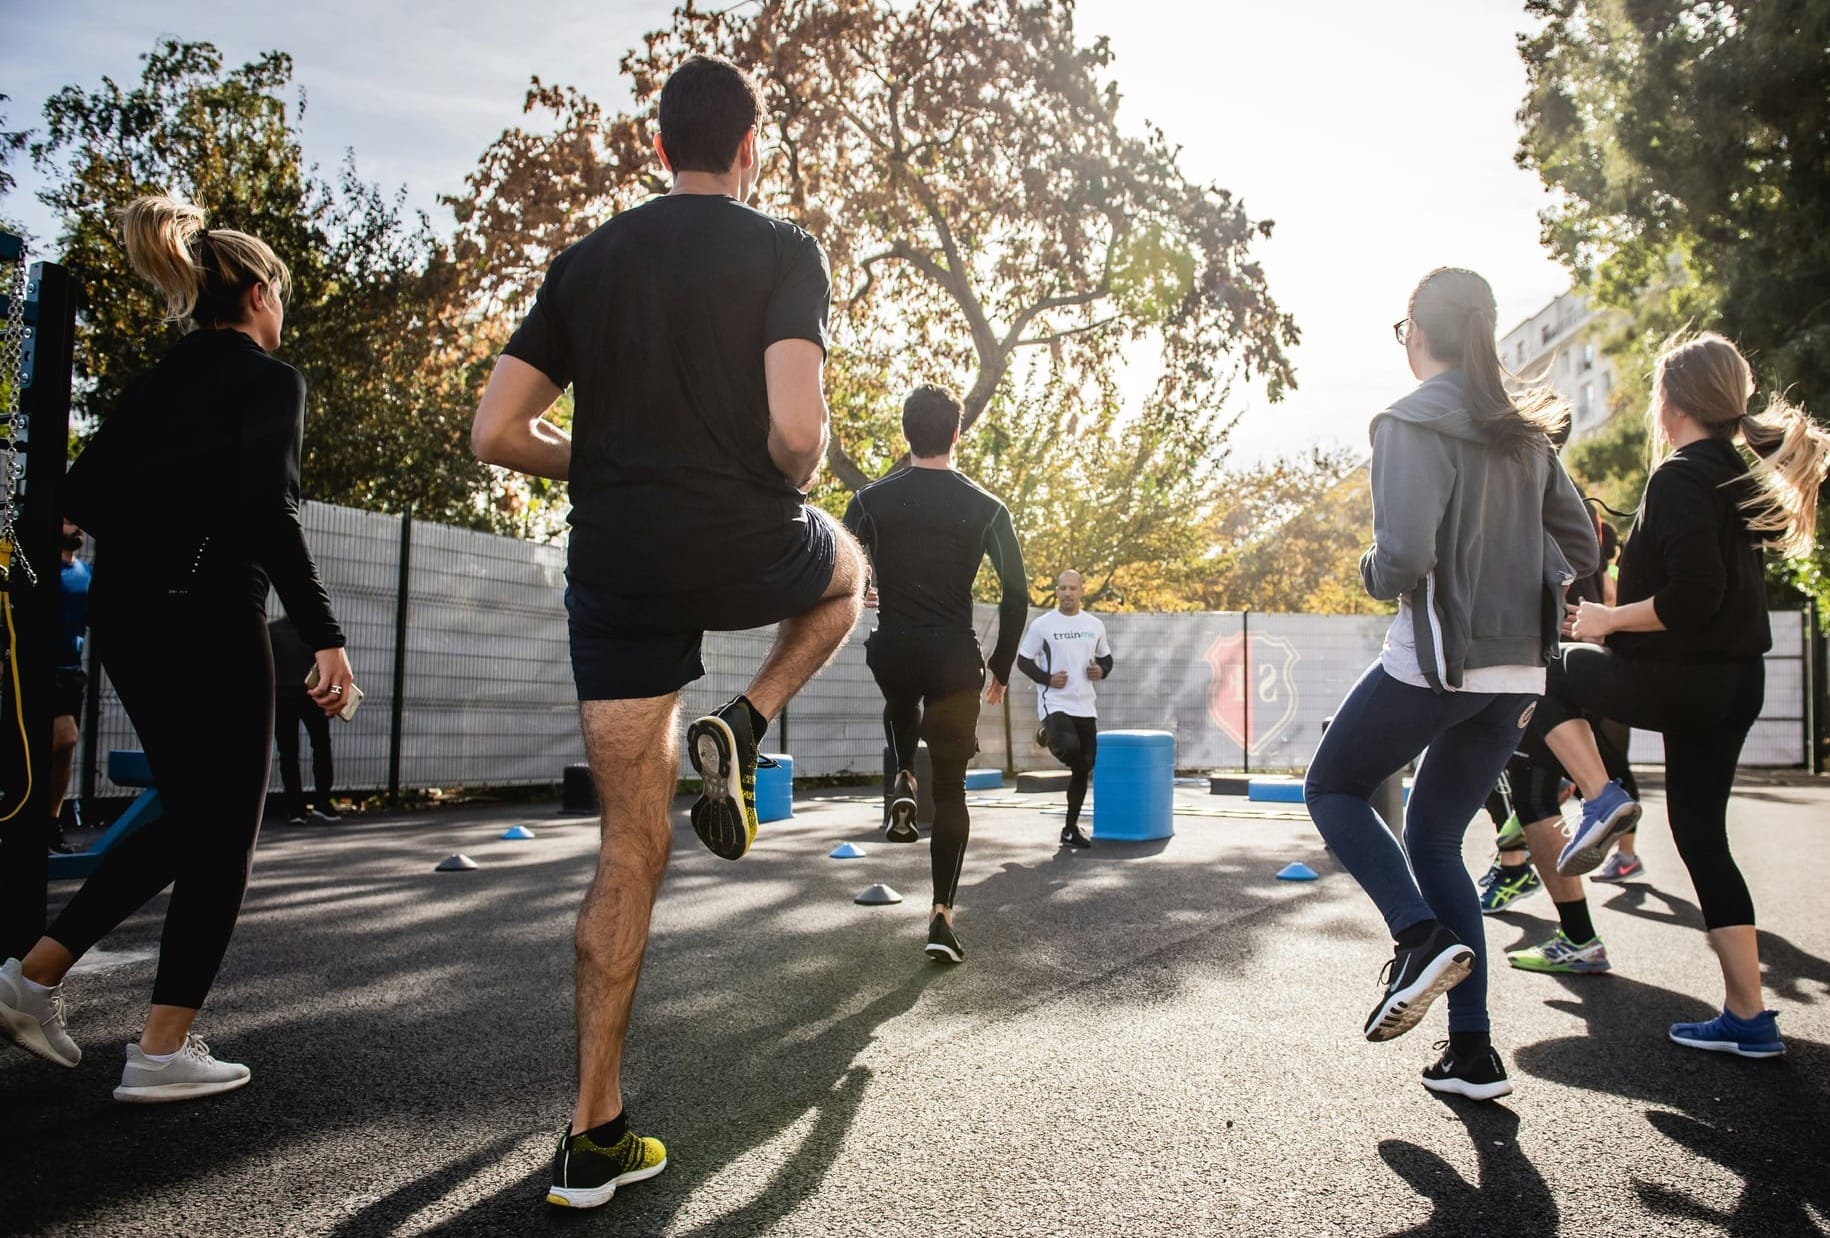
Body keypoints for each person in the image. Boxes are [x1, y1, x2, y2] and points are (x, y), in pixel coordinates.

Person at [469, 54, 866, 1211]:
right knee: (847, 574)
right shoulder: (784, 249)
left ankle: (593, 1131)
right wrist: (789, 471)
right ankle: (746, 716)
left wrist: (594, 459)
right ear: (750, 151)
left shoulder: (586, 263)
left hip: (619, 568)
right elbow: (798, 429)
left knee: (626, 850)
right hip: (746, 543)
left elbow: (497, 430)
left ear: (658, 149)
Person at [0, 195, 356, 1102]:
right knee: (223, 832)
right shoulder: (270, 381)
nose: (285, 312)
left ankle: (32, 977)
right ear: (256, 292)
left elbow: (79, 493)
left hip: (131, 619)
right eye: (282, 294)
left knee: (190, 816)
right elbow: (269, 513)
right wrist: (326, 638)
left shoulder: (162, 380)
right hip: (209, 618)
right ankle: (159, 1050)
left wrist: (167, 522)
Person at [1302, 267, 1598, 1101]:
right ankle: (1473, 1053)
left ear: (1418, 334)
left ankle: (1416, 934)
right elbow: (1582, 548)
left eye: (1401, 331)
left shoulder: (1405, 421)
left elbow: (1401, 560)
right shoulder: (1527, 435)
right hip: (1516, 675)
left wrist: (1368, 567)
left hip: (1438, 661)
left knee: (1331, 785)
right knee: (1434, 840)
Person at [1533, 331, 1830, 1058]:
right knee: (1701, 837)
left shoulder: (1681, 475)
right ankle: (1749, 1018)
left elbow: (1696, 597)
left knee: (1541, 672)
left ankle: (1601, 796)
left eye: (1658, 392)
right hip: (1733, 684)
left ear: (1674, 404)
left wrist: (1607, 620)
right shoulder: (1736, 471)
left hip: (1684, 679)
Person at [842, 384, 1029, 964]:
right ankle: (941, 918)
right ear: (956, 433)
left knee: (899, 693)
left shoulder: (870, 500)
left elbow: (839, 564)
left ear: (906, 433)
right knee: (951, 791)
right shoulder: (988, 507)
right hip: (955, 658)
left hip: (895, 647)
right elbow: (1018, 595)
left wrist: (865, 586)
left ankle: (901, 774)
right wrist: (1000, 666)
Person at [1015, 570, 1111, 849]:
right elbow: (1023, 661)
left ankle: (1069, 829)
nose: (1068, 593)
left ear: (1082, 591)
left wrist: (1100, 671)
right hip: (1054, 702)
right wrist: (1047, 679)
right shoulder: (1043, 625)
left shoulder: (1095, 625)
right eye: (1063, 588)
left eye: (1073, 588)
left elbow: (1106, 659)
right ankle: (1049, 731)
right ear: (1057, 592)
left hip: (1085, 705)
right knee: (1069, 748)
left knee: (1085, 765)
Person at [270, 613, 339, 824]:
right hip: (313, 697)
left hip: (282, 698)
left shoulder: (272, 631)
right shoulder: (316, 631)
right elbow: (330, 668)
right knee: (321, 747)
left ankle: (296, 809)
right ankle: (322, 803)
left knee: (288, 755)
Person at [47, 520, 90, 854]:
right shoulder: (37, 571)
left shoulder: (85, 573)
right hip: (39, 670)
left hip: (72, 671)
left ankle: (50, 822)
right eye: (69, 521)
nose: (77, 528)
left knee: (65, 750)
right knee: (65, 736)